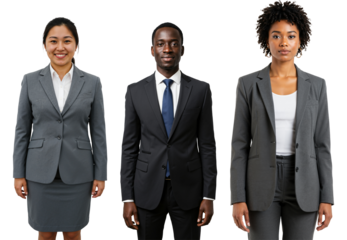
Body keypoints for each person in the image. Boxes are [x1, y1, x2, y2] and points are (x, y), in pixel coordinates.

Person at [230, 0, 334, 239]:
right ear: (267, 40)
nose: (283, 43)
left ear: (300, 41)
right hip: (260, 181)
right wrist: (237, 197)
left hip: (305, 181)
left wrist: (327, 197)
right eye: (276, 36)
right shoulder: (247, 84)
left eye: (290, 36)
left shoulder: (317, 84)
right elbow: (239, 144)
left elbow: (322, 145)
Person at [12, 15, 107, 240]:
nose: (60, 47)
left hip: (78, 172)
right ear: (45, 46)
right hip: (39, 172)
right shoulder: (30, 80)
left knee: (74, 233)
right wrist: (18, 173)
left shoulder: (93, 82)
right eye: (53, 41)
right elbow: (22, 131)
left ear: (76, 46)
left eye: (67, 41)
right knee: (45, 233)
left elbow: (99, 133)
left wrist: (101, 174)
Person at [120, 20, 217, 240]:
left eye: (174, 44)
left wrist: (209, 196)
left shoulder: (201, 89)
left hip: (190, 190)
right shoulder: (134, 90)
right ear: (152, 50)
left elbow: (208, 145)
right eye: (161, 44)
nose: (167, 49)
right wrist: (127, 198)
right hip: (146, 190)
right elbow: (129, 147)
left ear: (183, 50)